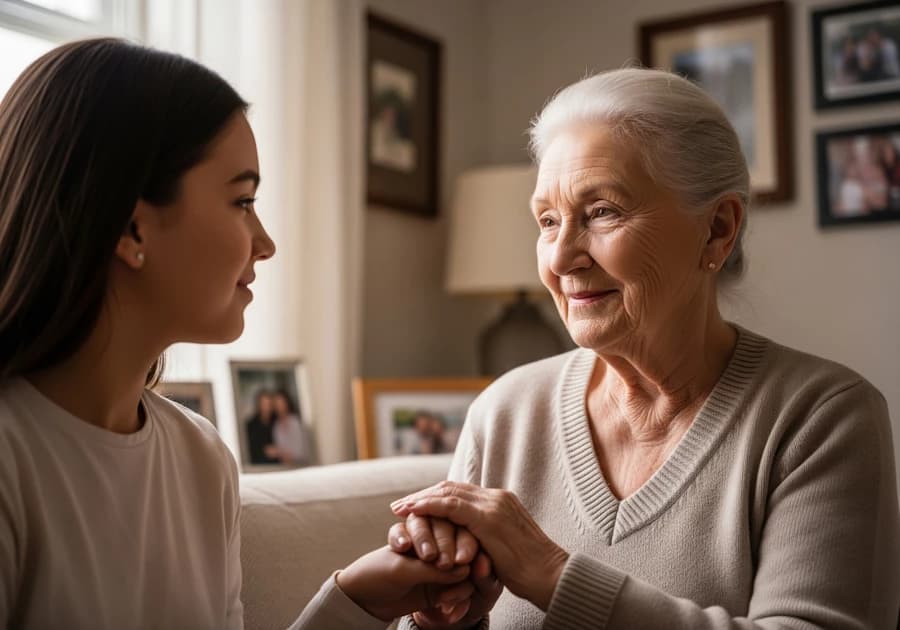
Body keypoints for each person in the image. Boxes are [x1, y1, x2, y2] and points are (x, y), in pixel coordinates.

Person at [388, 69, 900, 629]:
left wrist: (554, 574)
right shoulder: (504, 412)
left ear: (717, 231)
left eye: (602, 211)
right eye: (548, 220)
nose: (560, 259)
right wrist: (439, 621)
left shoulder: (822, 418)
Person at [0, 38, 481, 629]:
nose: (266, 242)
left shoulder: (200, 457)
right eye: (242, 201)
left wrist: (357, 603)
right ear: (131, 226)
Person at [267, 389, 313, 466]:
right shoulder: (276, 426)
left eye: (281, 403)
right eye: (276, 404)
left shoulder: (295, 422)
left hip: (302, 466)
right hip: (286, 468)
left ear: (287, 403)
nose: (279, 407)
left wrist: (278, 452)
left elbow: (300, 452)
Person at [246, 389, 279, 464]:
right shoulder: (251, 425)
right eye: (264, 404)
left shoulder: (276, 421)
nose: (266, 407)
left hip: (278, 463)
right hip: (259, 463)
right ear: (259, 404)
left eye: (269, 404)